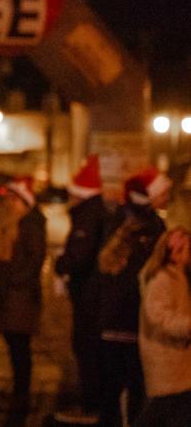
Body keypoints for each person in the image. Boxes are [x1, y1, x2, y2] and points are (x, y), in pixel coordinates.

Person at [96, 169, 169, 427]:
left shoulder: (116, 219)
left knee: (112, 386)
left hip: (112, 316)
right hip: (133, 316)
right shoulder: (153, 227)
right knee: (135, 385)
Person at [53, 155, 109, 425]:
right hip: (92, 293)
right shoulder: (95, 213)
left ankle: (92, 407)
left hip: (89, 294)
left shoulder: (87, 217)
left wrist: (60, 263)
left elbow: (79, 256)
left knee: (86, 347)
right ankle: (94, 404)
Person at [0, 176, 47, 417]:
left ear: (24, 201)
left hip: (21, 297)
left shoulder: (31, 225)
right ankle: (19, 392)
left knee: (20, 348)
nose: (9, 204)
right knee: (15, 347)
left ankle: (21, 395)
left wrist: (12, 280)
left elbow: (34, 261)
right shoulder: (18, 223)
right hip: (13, 296)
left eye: (14, 199)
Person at [134, 227, 191, 427]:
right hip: (166, 361)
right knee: (163, 412)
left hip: (178, 363)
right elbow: (159, 318)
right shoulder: (162, 279)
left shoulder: (178, 277)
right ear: (175, 252)